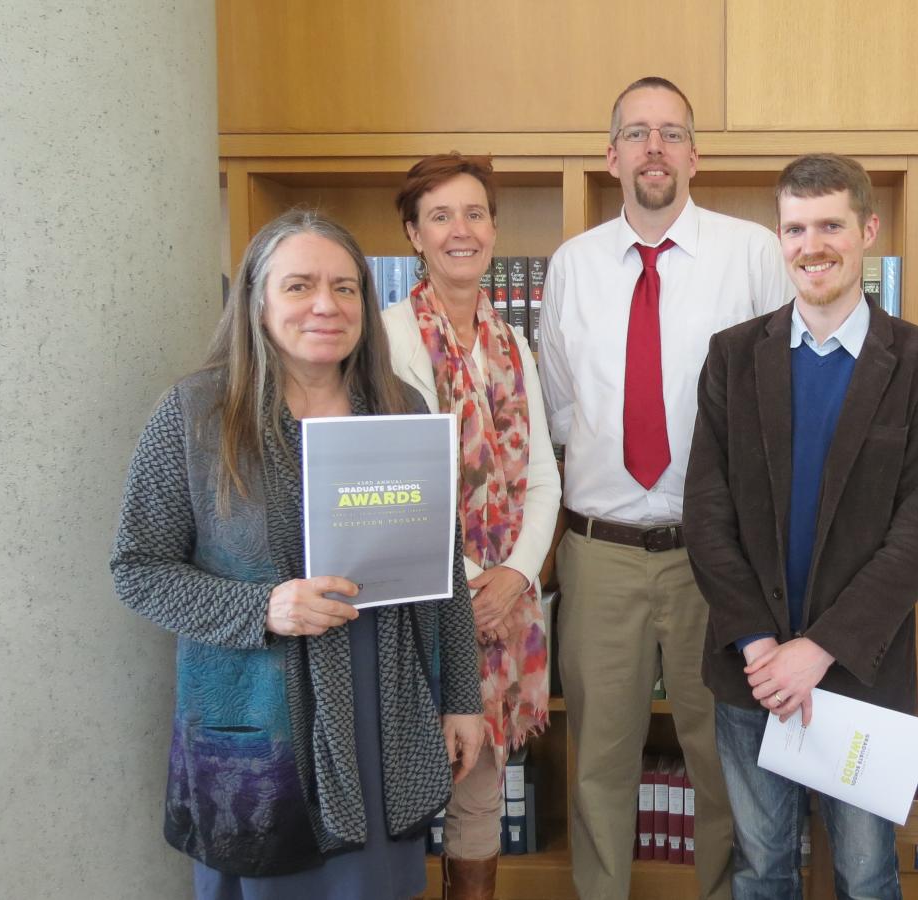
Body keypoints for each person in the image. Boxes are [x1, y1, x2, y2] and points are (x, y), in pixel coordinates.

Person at [111, 209, 484, 900]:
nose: (326, 305)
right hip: (262, 722)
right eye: (300, 286)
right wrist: (264, 607)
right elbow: (138, 569)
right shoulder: (195, 416)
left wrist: (462, 698)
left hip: (383, 714)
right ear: (256, 300)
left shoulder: (399, 411)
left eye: (346, 289)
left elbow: (446, 574)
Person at [538, 75, 790, 899]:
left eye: (672, 132)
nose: (656, 147)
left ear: (695, 153)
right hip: (599, 553)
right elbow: (564, 412)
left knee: (724, 759)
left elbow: (779, 403)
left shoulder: (753, 252)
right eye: (638, 133)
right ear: (611, 156)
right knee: (597, 763)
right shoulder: (571, 266)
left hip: (712, 559)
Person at [684, 153, 918, 899]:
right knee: (762, 868)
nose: (814, 245)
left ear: (868, 230)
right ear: (780, 238)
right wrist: (764, 646)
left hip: (862, 674)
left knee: (868, 876)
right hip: (754, 673)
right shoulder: (733, 357)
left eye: (832, 225)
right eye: (797, 228)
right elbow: (706, 517)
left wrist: (819, 650)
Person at [382, 153, 559, 898]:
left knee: (479, 786)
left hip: (504, 606)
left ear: (493, 228)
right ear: (415, 236)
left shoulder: (515, 345)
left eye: (475, 213)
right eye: (441, 216)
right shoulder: (384, 341)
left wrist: (514, 575)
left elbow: (545, 477)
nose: (462, 230)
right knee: (398, 781)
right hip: (415, 605)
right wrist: (459, 589)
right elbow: (385, 490)